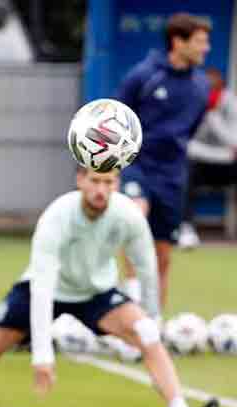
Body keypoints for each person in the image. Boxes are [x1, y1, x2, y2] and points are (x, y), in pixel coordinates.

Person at [0, 166, 219, 407]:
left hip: (96, 293)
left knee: (146, 333)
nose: (101, 190)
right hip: (46, 289)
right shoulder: (57, 216)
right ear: (80, 180)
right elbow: (42, 287)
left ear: (117, 184)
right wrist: (42, 356)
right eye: (95, 181)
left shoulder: (128, 215)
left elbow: (146, 266)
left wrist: (154, 315)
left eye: (108, 182)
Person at [115, 12, 211, 309]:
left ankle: (153, 322)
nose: (205, 48)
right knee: (135, 219)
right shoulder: (143, 76)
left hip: (172, 175)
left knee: (162, 255)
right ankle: (129, 309)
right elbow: (118, 117)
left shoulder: (201, 85)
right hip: (138, 165)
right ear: (177, 42)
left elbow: (191, 127)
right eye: (199, 42)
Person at [183, 67, 237, 249]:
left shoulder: (231, 102)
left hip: (228, 166)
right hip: (202, 164)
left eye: (213, 89)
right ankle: (186, 227)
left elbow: (234, 141)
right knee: (183, 169)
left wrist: (213, 117)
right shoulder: (194, 103)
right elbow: (187, 144)